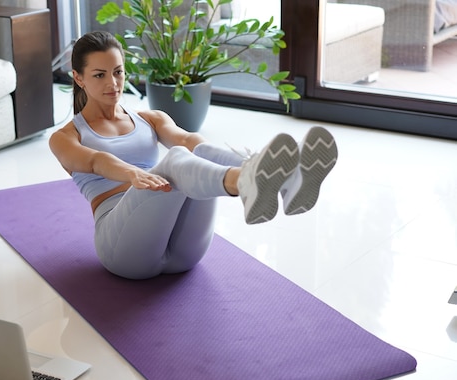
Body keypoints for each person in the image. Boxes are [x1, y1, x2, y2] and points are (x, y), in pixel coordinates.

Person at [49, 31, 338, 280]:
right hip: (123, 249)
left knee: (191, 154)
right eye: (100, 75)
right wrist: (133, 173)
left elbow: (189, 140)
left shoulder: (151, 118)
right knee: (175, 160)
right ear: (78, 78)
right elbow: (95, 161)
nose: (113, 83)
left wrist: (214, 155)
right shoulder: (65, 137)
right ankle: (246, 181)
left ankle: (284, 180)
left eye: (118, 71)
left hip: (185, 253)